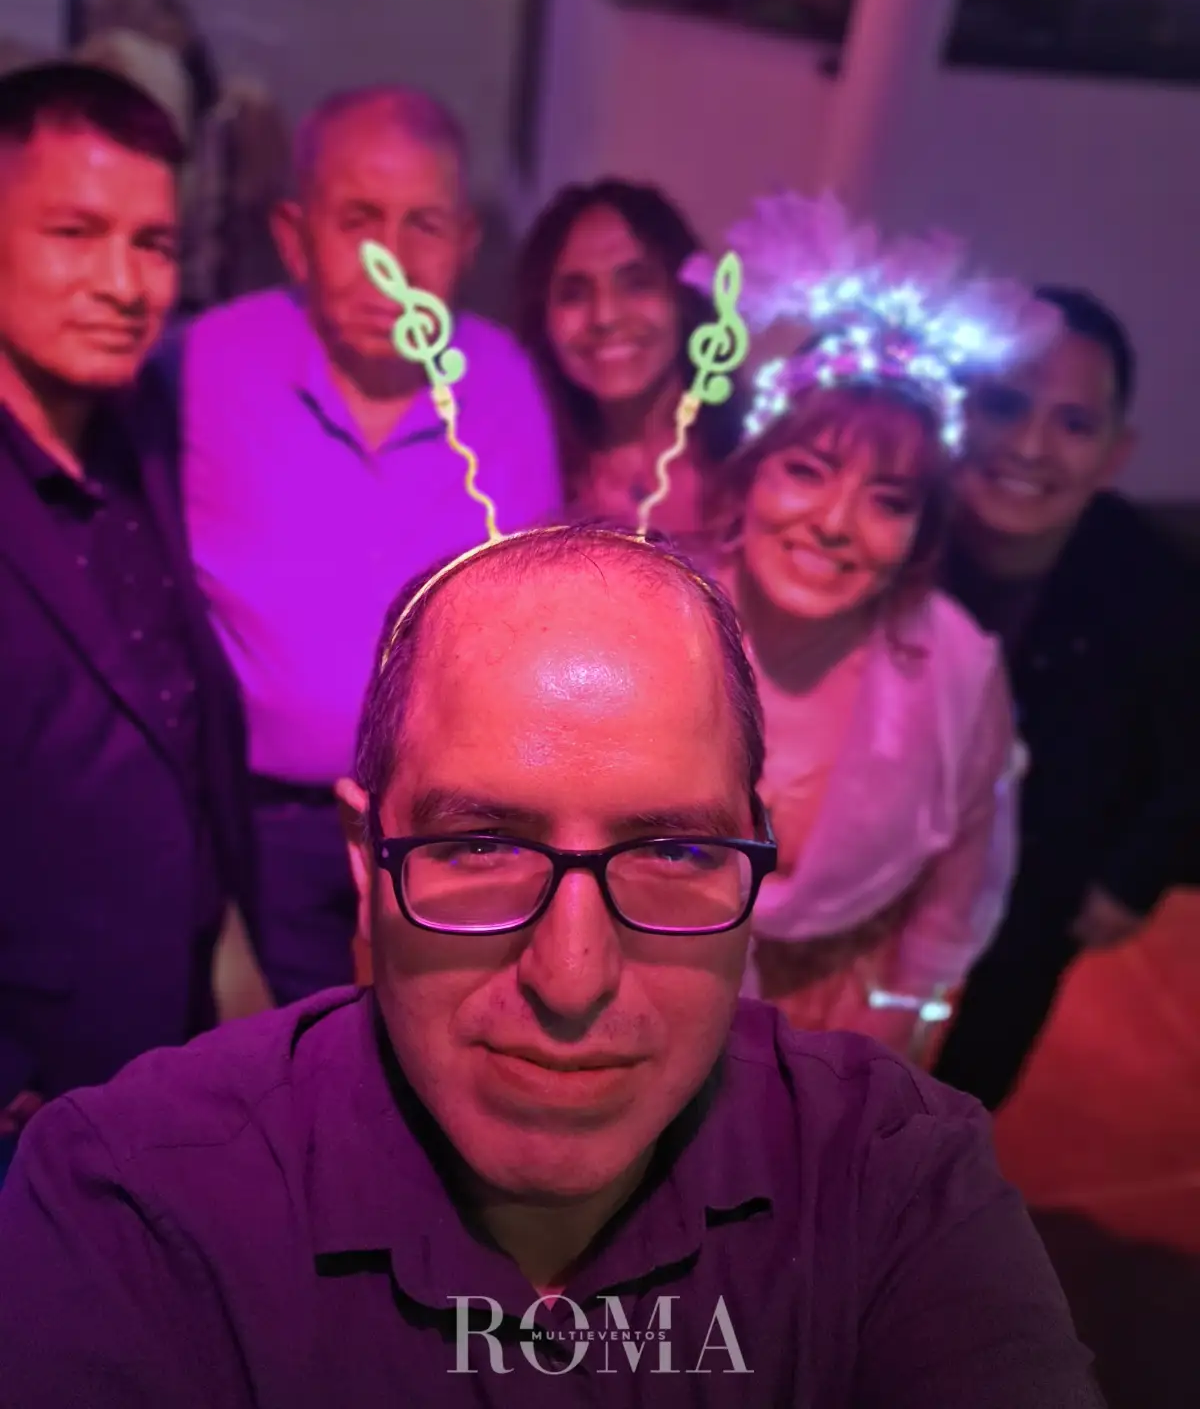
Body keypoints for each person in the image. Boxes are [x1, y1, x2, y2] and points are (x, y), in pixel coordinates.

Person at [0, 522, 1102, 1407]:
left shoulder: (894, 1179)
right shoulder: (137, 1203)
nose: (573, 982)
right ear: (365, 860)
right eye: (479, 845)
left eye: (675, 851)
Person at [180, 85, 560, 1007]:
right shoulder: (203, 365)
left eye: (423, 224)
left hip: (451, 821)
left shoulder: (507, 384)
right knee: (302, 1039)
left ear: (465, 244)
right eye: (358, 220)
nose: (392, 261)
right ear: (294, 235)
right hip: (261, 821)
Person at [688, 193, 1043, 1060]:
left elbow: (962, 869)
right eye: (808, 471)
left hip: (841, 1028)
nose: (835, 524)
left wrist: (902, 1019)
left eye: (888, 501)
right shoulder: (660, 614)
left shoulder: (954, 668)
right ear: (752, 476)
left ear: (921, 530)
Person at [0, 63, 253, 1158]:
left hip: (161, 1034)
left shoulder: (140, 422)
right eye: (74, 232)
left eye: (152, 244)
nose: (123, 283)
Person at [934, 288, 1200, 1110]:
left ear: (1116, 454)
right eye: (1004, 405)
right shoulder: (894, 532)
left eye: (1073, 424)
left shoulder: (1156, 585)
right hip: (886, 862)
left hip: (1047, 870)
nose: (1028, 446)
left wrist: (1130, 880)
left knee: (979, 1060)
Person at [514, 178, 744, 545]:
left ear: (684, 297)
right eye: (574, 293)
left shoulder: (756, 467)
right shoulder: (521, 479)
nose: (605, 316)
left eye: (637, 283)